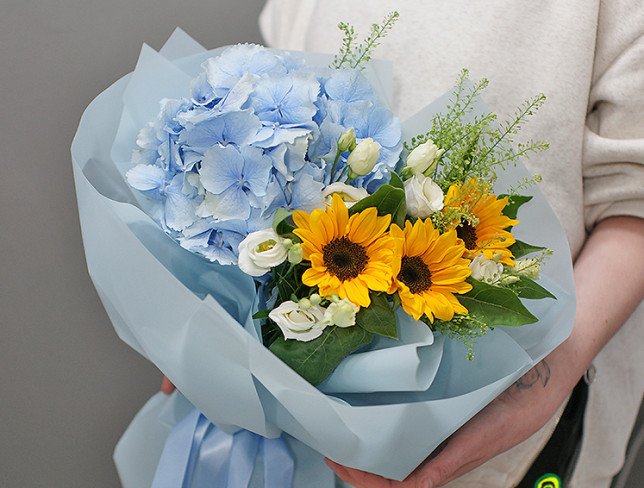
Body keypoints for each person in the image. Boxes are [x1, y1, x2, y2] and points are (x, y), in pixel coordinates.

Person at [255, 1, 644, 487]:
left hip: (510, 424)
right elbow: (273, 109)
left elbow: (634, 201)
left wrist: (540, 382)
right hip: (284, 418)